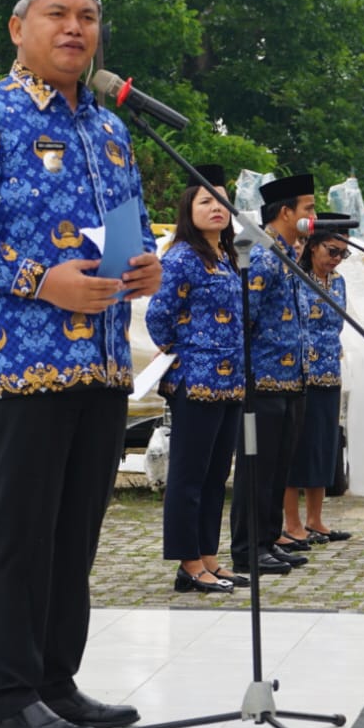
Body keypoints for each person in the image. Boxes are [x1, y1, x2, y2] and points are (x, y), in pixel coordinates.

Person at [0, 0, 161, 728]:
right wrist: (40, 279)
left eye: (87, 16)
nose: (74, 28)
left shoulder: (110, 126)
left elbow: (123, 228)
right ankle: (9, 699)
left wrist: (144, 263)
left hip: (98, 365)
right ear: (18, 28)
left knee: (73, 537)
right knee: (16, 536)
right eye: (57, 14)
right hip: (14, 360)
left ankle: (57, 682)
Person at [145, 165, 249, 595]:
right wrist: (180, 350)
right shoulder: (181, 257)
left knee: (214, 476)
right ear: (189, 209)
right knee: (189, 475)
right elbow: (157, 315)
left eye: (221, 201)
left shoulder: (226, 257)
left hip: (231, 382)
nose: (216, 208)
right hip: (196, 380)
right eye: (206, 201)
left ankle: (209, 558)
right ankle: (188, 564)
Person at [230, 174, 316, 577]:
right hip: (262, 382)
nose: (312, 217)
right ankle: (248, 548)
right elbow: (243, 318)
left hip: (290, 381)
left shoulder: (287, 254)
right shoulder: (263, 256)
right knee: (257, 471)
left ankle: (268, 540)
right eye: (308, 209)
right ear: (286, 213)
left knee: (278, 468)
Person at [282, 224, 353, 547]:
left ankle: (316, 519)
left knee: (324, 447)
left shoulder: (338, 283)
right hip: (301, 374)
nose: (336, 259)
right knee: (296, 449)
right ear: (313, 247)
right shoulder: (296, 276)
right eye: (331, 251)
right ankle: (292, 523)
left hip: (329, 373)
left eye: (343, 253)